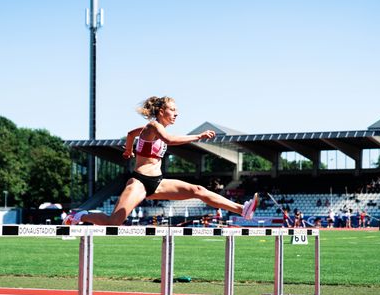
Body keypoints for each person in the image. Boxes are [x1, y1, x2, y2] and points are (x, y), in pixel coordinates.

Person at [65, 96, 259, 226]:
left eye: (177, 110)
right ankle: (80, 215)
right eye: (172, 109)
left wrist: (128, 151)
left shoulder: (147, 128)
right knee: (114, 221)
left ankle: (243, 210)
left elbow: (130, 134)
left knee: (198, 190)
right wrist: (198, 136)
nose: (176, 113)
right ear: (160, 111)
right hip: (140, 182)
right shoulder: (152, 126)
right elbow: (169, 140)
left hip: (157, 183)